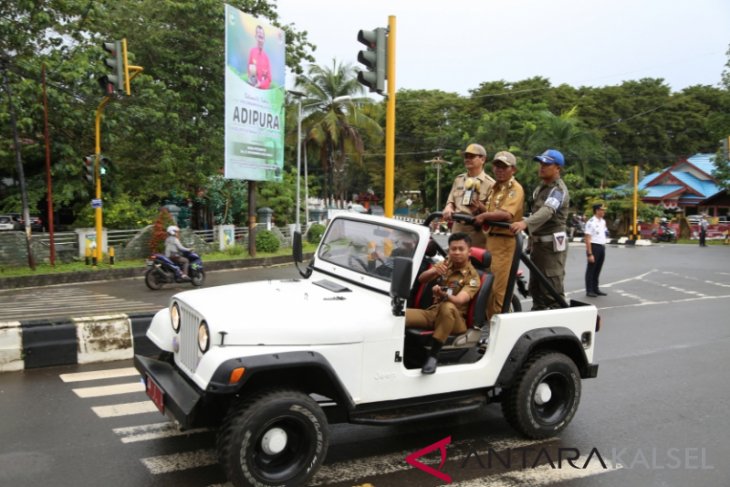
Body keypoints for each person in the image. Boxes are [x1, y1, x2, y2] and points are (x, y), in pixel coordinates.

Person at [405, 233, 481, 374]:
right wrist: (434, 271)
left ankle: (433, 356)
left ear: (469, 252)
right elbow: (422, 279)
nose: (456, 252)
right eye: (453, 249)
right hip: (434, 312)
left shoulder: (473, 277)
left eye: (461, 249)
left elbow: (459, 300)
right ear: (449, 250)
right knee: (399, 315)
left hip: (455, 320)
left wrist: (443, 294)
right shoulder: (446, 263)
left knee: (448, 306)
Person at [509, 149, 570, 310]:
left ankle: (558, 324)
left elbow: (548, 211)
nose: (542, 167)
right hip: (538, 246)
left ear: (558, 168)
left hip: (551, 248)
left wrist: (525, 224)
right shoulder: (541, 188)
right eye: (541, 163)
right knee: (536, 288)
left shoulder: (558, 190)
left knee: (551, 288)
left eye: (547, 164)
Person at [473, 151, 525, 318]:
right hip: (490, 240)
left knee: (496, 289)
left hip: (505, 243)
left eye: (504, 167)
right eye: (497, 166)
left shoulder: (515, 189)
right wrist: (479, 208)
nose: (499, 170)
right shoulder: (495, 187)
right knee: (485, 286)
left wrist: (484, 216)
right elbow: (491, 210)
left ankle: (498, 329)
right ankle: (487, 323)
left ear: (513, 169)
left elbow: (506, 214)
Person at [442, 143, 495, 248]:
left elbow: (492, 213)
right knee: (454, 262)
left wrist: (480, 207)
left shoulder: (491, 184)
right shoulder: (459, 179)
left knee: (475, 262)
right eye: (466, 157)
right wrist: (448, 207)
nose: (467, 159)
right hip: (457, 228)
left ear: (483, 159)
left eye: (472, 156)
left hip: (476, 232)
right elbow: (451, 201)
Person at [584, 203, 608, 297]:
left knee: (598, 269)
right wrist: (589, 253)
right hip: (594, 247)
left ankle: (596, 288)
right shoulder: (591, 222)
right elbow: (587, 238)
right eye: (602, 210)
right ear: (597, 210)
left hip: (601, 246)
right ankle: (589, 290)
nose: (604, 211)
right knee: (591, 269)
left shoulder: (603, 221)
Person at [248, 25, 271, 89]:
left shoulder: (266, 57)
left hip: (262, 93)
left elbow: (269, 79)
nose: (260, 40)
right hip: (251, 90)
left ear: (264, 39)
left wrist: (260, 84)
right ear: (256, 37)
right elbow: (249, 71)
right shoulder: (252, 52)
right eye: (259, 36)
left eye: (262, 36)